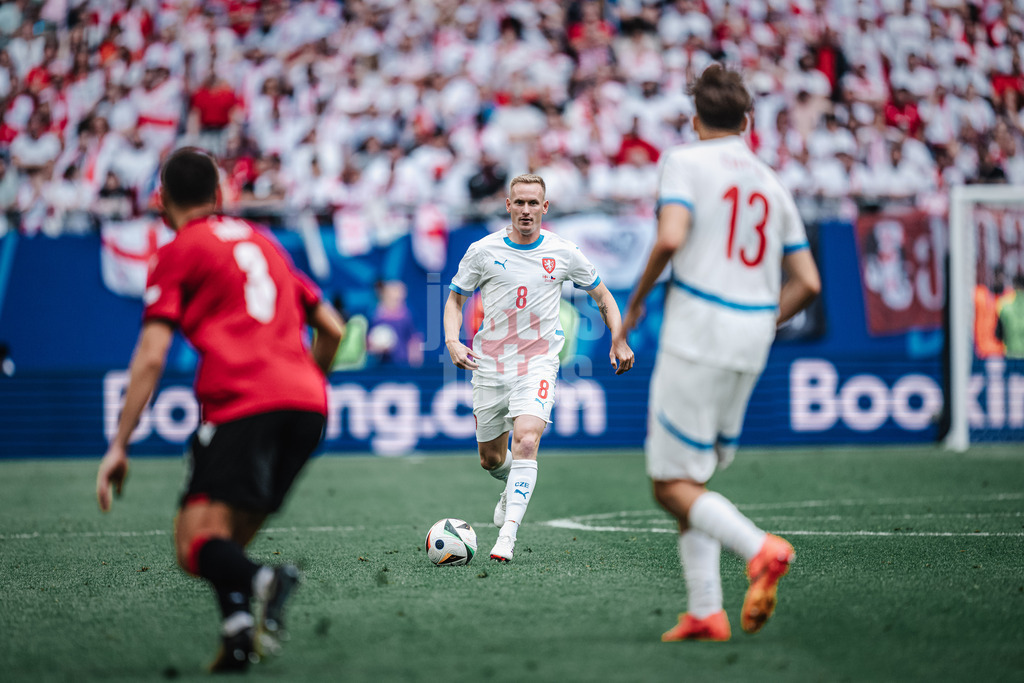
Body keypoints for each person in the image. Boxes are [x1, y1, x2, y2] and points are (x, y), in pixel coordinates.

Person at [95, 148, 345, 671]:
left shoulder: (180, 250)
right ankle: (236, 635)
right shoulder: (264, 242)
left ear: (160, 201)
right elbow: (333, 329)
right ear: (221, 194)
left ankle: (266, 581)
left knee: (194, 544)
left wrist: (119, 444)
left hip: (244, 401)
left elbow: (151, 356)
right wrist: (304, 385)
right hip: (308, 404)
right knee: (224, 535)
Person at [614, 65, 821, 642]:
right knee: (694, 475)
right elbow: (807, 282)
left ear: (694, 118)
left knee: (668, 483)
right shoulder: (769, 179)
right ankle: (706, 609)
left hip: (698, 330)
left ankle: (760, 550)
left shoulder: (685, 160)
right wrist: (759, 319)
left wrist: (632, 308)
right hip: (751, 340)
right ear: (748, 121)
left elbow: (672, 236)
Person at [443, 173, 635, 562]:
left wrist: (619, 337)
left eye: (534, 203)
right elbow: (455, 300)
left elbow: (603, 295)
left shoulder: (564, 252)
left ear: (545, 208)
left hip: (538, 362)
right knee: (491, 459)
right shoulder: (483, 250)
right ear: (508, 205)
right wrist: (452, 341)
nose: (527, 210)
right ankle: (509, 484)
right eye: (520, 203)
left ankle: (507, 537)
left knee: (527, 439)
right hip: (490, 364)